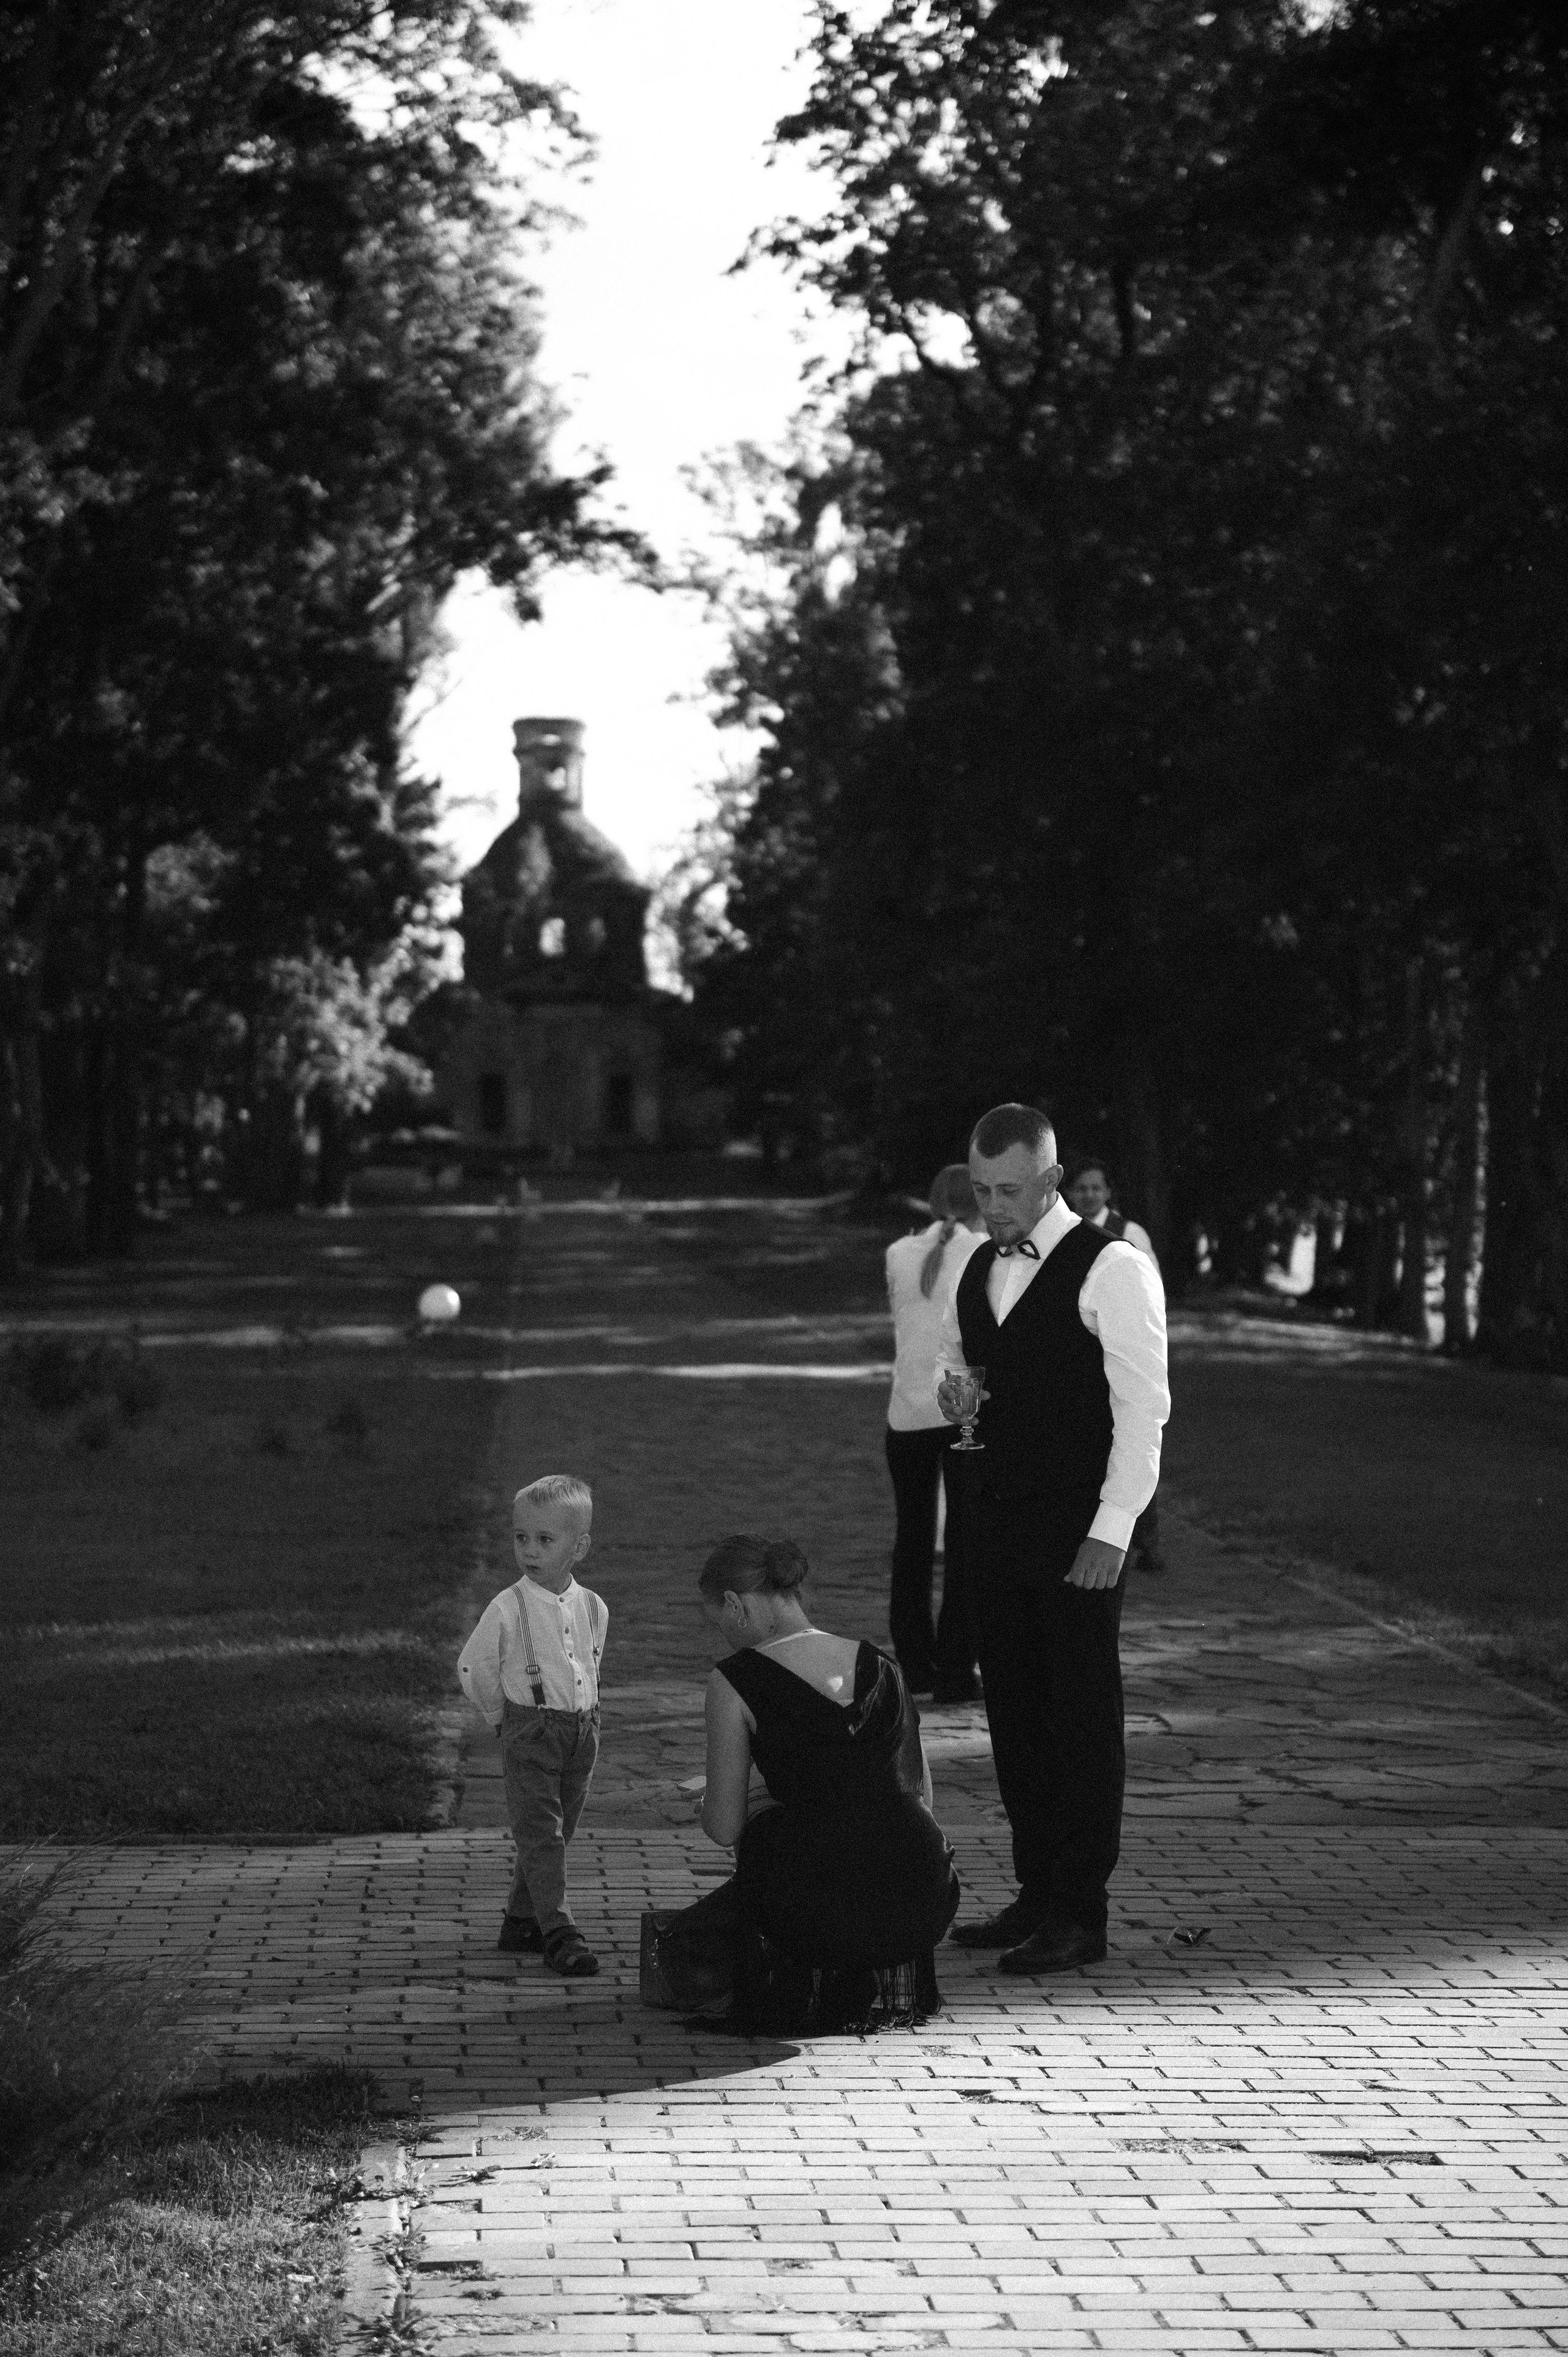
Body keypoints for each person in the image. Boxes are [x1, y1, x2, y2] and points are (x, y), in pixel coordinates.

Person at [936, 1104, 1169, 1975]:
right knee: (1016, 1713)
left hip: (1079, 1532)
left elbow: (1145, 1410)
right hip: (994, 1521)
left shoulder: (1114, 1268)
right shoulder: (975, 1264)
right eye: (981, 1188)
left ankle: (1083, 1911)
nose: (991, 1206)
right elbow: (961, 1363)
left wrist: (1114, 1529)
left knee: (1080, 1717)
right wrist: (952, 1387)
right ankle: (1037, 1893)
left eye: (1007, 1190)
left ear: (1050, 1180)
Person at [638, 1536, 960, 2034]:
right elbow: (920, 1800)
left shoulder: (735, 1680)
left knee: (770, 1829)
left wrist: (743, 1796)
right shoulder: (885, 1666)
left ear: (735, 1604)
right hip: (922, 1901)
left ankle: (795, 1970)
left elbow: (723, 1828)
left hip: (812, 1911)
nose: (724, 1634)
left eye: (719, 1621)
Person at [457, 1473, 608, 1978]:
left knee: (557, 1831)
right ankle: (559, 1932)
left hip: (582, 1730)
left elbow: (589, 1661)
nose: (529, 1550)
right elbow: (473, 1667)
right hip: (530, 1730)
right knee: (542, 1833)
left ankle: (521, 1921)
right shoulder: (508, 1606)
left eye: (545, 1539)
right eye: (521, 1537)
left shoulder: (593, 1606)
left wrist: (588, 1711)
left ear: (579, 1546)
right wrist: (502, 1719)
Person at [883, 1164, 987, 1702]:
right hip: (962, 1404)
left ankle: (915, 1663)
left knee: (913, 1541)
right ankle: (956, 1666)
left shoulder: (898, 1253)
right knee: (968, 1540)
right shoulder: (984, 1252)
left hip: (906, 1408)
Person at [1063, 1155, 1167, 1574]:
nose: (1088, 1195)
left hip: (1124, 1348)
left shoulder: (1129, 1234)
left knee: (1134, 1436)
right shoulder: (1064, 1236)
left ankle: (1145, 1538)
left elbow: (1151, 1294)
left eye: (1096, 1188)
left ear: (1108, 1192)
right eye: (1081, 1188)